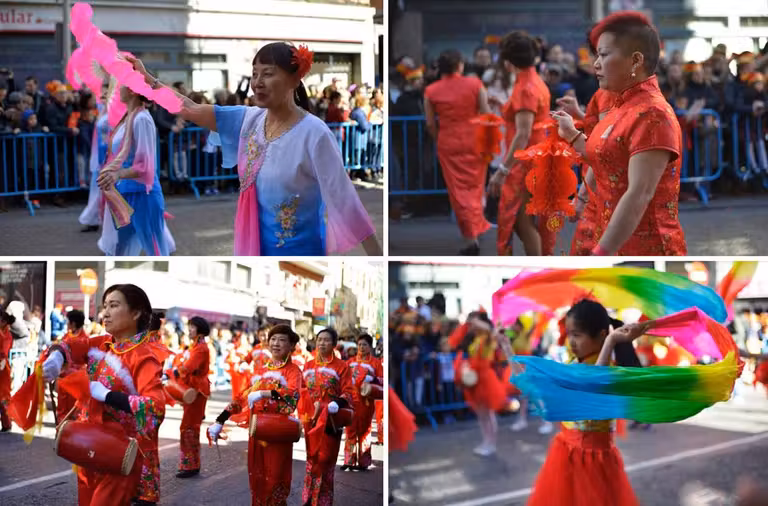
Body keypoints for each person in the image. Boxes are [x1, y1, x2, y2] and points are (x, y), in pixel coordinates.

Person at [125, 43, 381, 256]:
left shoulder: (314, 133)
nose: (257, 82)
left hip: (301, 250)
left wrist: (379, 258)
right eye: (255, 74)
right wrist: (149, 81)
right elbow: (190, 108)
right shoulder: (250, 119)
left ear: (295, 79)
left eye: (267, 74)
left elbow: (345, 200)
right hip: (255, 249)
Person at [550, 11, 685, 255]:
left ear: (635, 60)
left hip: (645, 250)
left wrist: (601, 253)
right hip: (613, 237)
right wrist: (571, 133)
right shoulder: (621, 105)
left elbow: (639, 195)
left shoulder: (652, 114)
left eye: (604, 55)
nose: (595, 64)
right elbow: (605, 158)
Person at [41, 284, 165, 506]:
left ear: (136, 313)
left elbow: (155, 408)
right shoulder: (102, 344)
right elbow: (71, 345)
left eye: (113, 306)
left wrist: (109, 396)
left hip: (118, 455)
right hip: (89, 447)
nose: (105, 313)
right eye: (104, 306)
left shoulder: (144, 357)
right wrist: (57, 356)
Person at [526, 299, 644, 505]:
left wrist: (611, 342)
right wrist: (506, 347)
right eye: (569, 334)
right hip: (565, 453)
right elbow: (534, 386)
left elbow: (593, 383)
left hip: (593, 462)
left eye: (577, 335)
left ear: (601, 335)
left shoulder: (611, 371)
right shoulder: (572, 364)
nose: (571, 341)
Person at [208, 324, 302, 505]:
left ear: (291, 345)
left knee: (275, 478)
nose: (276, 343)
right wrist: (220, 420)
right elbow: (241, 398)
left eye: (282, 340)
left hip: (278, 431)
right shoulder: (260, 371)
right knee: (257, 476)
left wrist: (265, 393)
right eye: (273, 339)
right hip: (257, 430)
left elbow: (292, 396)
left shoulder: (293, 371)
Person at [488, 31, 554, 256]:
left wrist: (502, 170)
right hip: (534, 157)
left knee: (520, 219)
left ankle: (538, 264)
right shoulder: (533, 81)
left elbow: (523, 133)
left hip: (525, 162)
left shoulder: (525, 88)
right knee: (521, 219)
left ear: (508, 62)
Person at [424, 49, 493, 255]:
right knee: (476, 187)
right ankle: (475, 226)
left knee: (458, 191)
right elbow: (486, 113)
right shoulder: (475, 84)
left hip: (448, 142)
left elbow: (430, 124)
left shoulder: (431, 90)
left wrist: (439, 138)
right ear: (459, 66)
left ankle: (470, 237)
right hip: (475, 140)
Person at [96, 87, 174, 256]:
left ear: (132, 90)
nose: (118, 89)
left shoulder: (142, 119)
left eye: (122, 85)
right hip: (123, 194)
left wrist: (117, 174)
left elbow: (145, 166)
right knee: (120, 253)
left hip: (143, 195)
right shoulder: (128, 118)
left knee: (156, 252)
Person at [300, 328, 355, 505]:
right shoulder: (308, 365)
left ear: (334, 344)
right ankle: (309, 498)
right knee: (312, 457)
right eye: (319, 339)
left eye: (326, 340)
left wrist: (337, 403)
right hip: (311, 420)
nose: (322, 343)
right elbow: (301, 390)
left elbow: (349, 392)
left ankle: (323, 501)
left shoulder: (342, 367)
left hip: (331, 419)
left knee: (326, 459)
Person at [451, 310, 507, 456]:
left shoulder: (488, 337)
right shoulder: (475, 339)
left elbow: (489, 329)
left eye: (475, 322)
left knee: (488, 414)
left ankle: (492, 443)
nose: (473, 325)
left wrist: (475, 321)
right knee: (481, 414)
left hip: (486, 379)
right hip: (476, 379)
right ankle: (486, 441)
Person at [172, 316, 211, 479]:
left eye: (192, 327)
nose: (189, 329)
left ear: (200, 330)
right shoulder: (196, 346)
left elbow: (189, 366)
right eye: (189, 326)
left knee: (189, 426)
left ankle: (190, 465)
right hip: (194, 388)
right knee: (189, 426)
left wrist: (175, 372)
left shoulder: (200, 348)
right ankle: (191, 464)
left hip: (197, 390)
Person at [343, 333, 384, 471]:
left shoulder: (375, 363)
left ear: (370, 346)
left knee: (364, 431)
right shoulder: (350, 362)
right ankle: (349, 460)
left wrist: (372, 380)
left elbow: (382, 381)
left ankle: (363, 461)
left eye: (364, 345)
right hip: (351, 401)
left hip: (366, 402)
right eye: (359, 344)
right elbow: (343, 380)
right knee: (350, 429)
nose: (361, 347)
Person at [79, 95, 110, 233]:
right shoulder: (102, 111)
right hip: (99, 157)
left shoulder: (113, 114)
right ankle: (92, 219)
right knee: (96, 190)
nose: (103, 98)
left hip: (107, 157)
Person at [55, 309, 89, 423]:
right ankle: (61, 429)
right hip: (64, 377)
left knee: (74, 408)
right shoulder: (67, 336)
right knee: (62, 406)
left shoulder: (84, 339)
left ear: (73, 323)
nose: (66, 324)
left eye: (68, 321)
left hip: (77, 378)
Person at [0, 311, 14, 432]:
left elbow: (4, 352)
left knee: (4, 396)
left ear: (4, 322)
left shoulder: (7, 335)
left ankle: (6, 423)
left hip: (3, 367)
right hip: (3, 365)